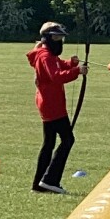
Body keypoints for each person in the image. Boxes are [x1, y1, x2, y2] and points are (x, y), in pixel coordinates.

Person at [26, 21, 82, 193]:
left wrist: (71, 63)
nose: (60, 41)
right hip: (52, 105)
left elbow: (57, 65)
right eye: (57, 38)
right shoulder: (45, 56)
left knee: (49, 143)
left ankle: (39, 184)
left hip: (49, 103)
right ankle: (50, 180)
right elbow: (56, 76)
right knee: (67, 140)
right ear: (48, 38)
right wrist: (77, 71)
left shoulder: (46, 54)